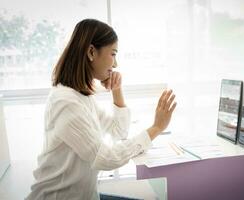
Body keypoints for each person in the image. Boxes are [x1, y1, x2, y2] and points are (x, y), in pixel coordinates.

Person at [25, 18, 176, 200]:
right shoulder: (66, 102)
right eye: (113, 54)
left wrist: (117, 89)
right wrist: (156, 128)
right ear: (91, 51)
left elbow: (118, 131)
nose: (115, 64)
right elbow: (107, 158)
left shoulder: (80, 97)